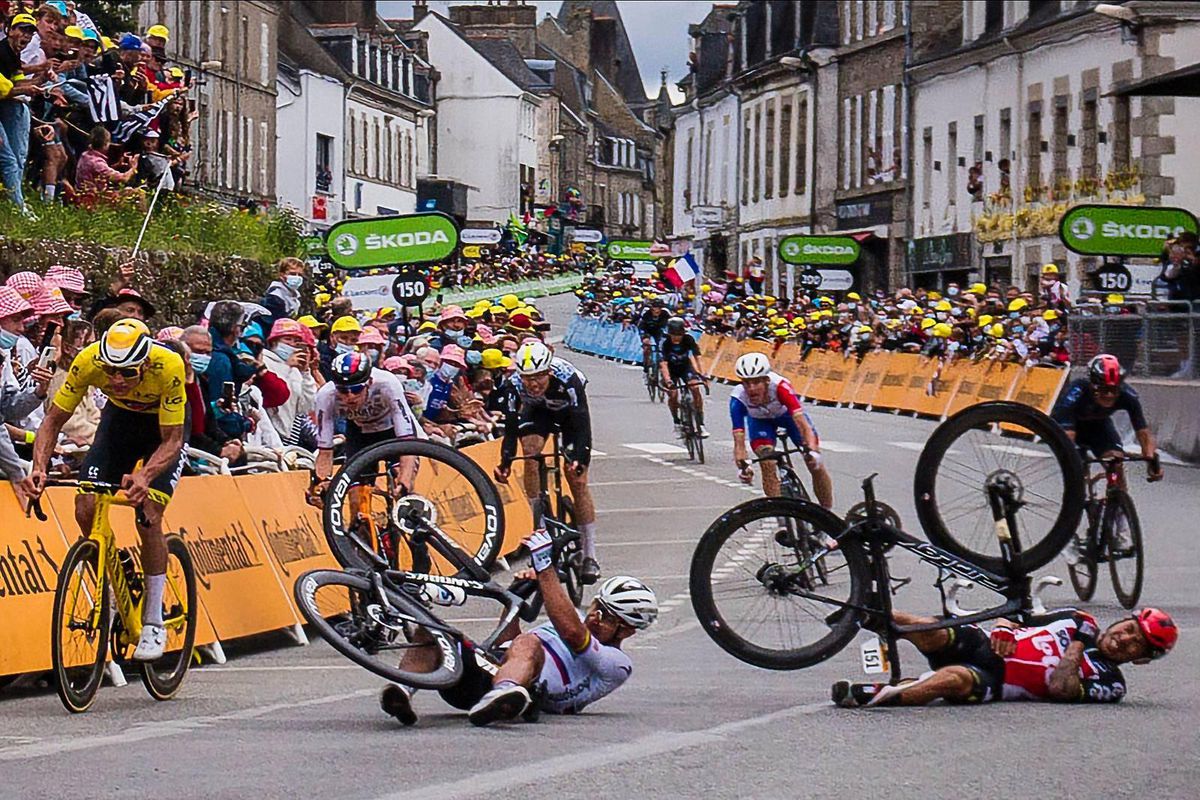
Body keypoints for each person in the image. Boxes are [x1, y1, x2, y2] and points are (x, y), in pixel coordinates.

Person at [22, 319, 188, 661]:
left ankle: (154, 620)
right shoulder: (87, 361)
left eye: (127, 373)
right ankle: (111, 581)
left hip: (163, 430)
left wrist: (145, 476)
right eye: (111, 371)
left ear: (145, 362)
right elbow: (52, 422)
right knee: (85, 503)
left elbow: (172, 441)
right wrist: (37, 468)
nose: (116, 380)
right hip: (120, 423)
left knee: (149, 515)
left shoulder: (168, 365)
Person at [380, 529, 657, 727]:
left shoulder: (618, 665)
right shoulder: (560, 625)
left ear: (627, 631)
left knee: (530, 644)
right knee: (436, 631)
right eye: (597, 606)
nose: (595, 617)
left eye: (606, 617)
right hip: (485, 673)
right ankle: (403, 692)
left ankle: (504, 694)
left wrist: (545, 568)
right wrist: (516, 595)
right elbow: (507, 639)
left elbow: (573, 634)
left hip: (529, 693)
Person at [833, 606, 1177, 707]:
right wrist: (1003, 626)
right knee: (926, 627)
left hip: (999, 681)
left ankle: (875, 694)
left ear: (1142, 659)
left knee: (952, 680)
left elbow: (1060, 688)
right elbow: (1015, 613)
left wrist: (1078, 644)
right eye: (1130, 629)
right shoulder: (1073, 617)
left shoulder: (1112, 683)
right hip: (984, 644)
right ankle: (855, 614)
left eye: (1136, 645)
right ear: (1125, 619)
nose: (1124, 639)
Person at [493, 341, 601, 584]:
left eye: (539, 378)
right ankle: (539, 527)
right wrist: (506, 461)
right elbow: (510, 429)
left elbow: (583, 425)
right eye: (528, 378)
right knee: (530, 453)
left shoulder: (569, 379)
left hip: (570, 415)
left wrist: (579, 459)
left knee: (577, 479)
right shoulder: (513, 385)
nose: (533, 384)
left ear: (549, 372)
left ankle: (590, 554)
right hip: (538, 412)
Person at [307, 351, 421, 508]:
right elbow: (325, 450)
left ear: (369, 382)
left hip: (393, 431)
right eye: (342, 390)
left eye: (356, 389)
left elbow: (407, 441)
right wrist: (323, 481)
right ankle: (362, 528)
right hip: (359, 434)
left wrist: (405, 478)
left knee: (402, 485)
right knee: (357, 500)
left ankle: (413, 521)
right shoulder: (326, 395)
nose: (349, 396)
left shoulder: (387, 383)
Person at [729, 352, 833, 510]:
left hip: (788, 418)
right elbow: (739, 442)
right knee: (766, 460)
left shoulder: (781, 387)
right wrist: (744, 467)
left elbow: (802, 423)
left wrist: (813, 450)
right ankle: (779, 514)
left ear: (766, 380)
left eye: (756, 382)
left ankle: (827, 513)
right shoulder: (738, 398)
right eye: (746, 383)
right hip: (761, 422)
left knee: (814, 465)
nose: (751, 388)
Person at [658, 316, 709, 437]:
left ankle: (701, 424)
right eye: (674, 335)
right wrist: (668, 381)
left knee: (695, 388)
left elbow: (698, 357)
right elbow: (663, 364)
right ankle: (677, 422)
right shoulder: (664, 343)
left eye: (679, 335)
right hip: (670, 370)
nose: (676, 338)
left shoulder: (688, 339)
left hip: (685, 367)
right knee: (673, 394)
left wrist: (703, 374)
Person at [636, 298, 670, 366]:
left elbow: (670, 324)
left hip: (658, 330)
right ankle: (646, 362)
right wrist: (644, 337)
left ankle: (660, 361)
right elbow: (641, 324)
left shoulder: (665, 314)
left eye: (659, 307)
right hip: (646, 329)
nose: (656, 309)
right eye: (654, 307)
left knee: (662, 345)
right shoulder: (646, 313)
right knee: (646, 345)